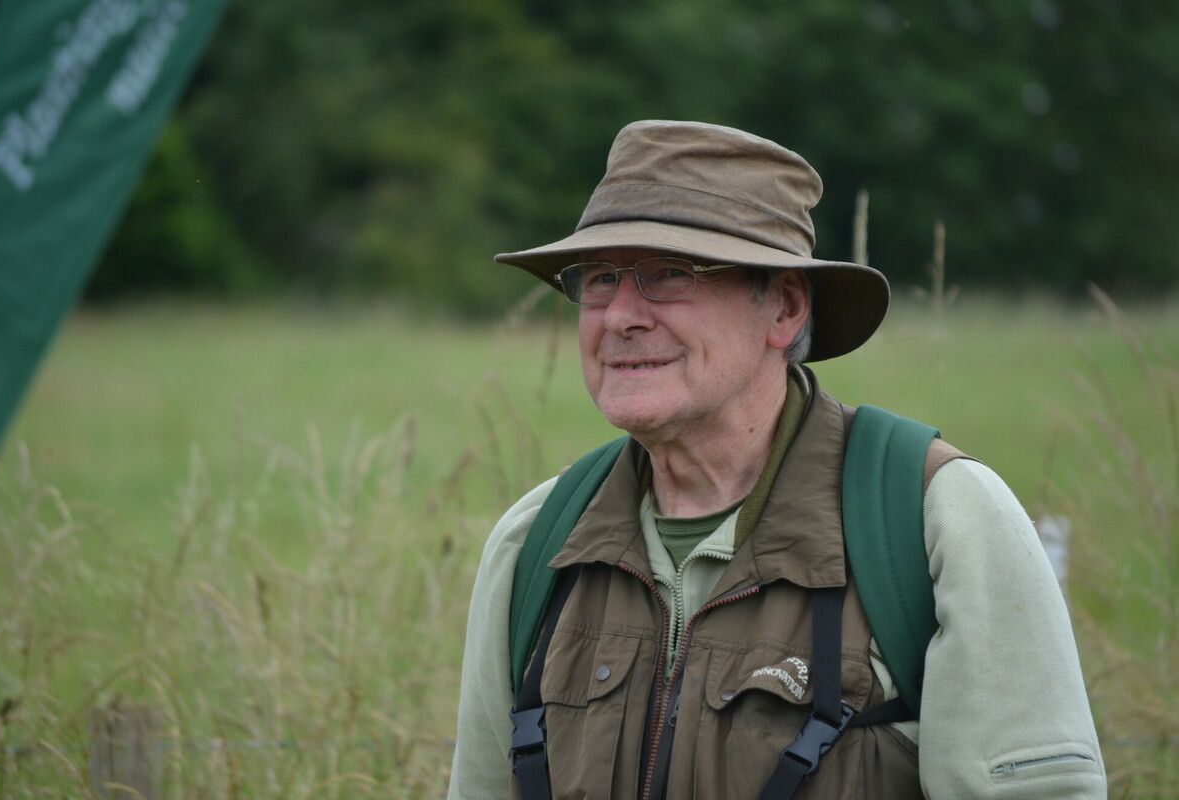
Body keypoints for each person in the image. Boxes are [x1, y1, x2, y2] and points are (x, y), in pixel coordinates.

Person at [447, 120, 1106, 799]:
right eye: (601, 278)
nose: (619, 316)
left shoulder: (936, 520)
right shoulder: (537, 542)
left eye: (669, 274)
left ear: (785, 308)